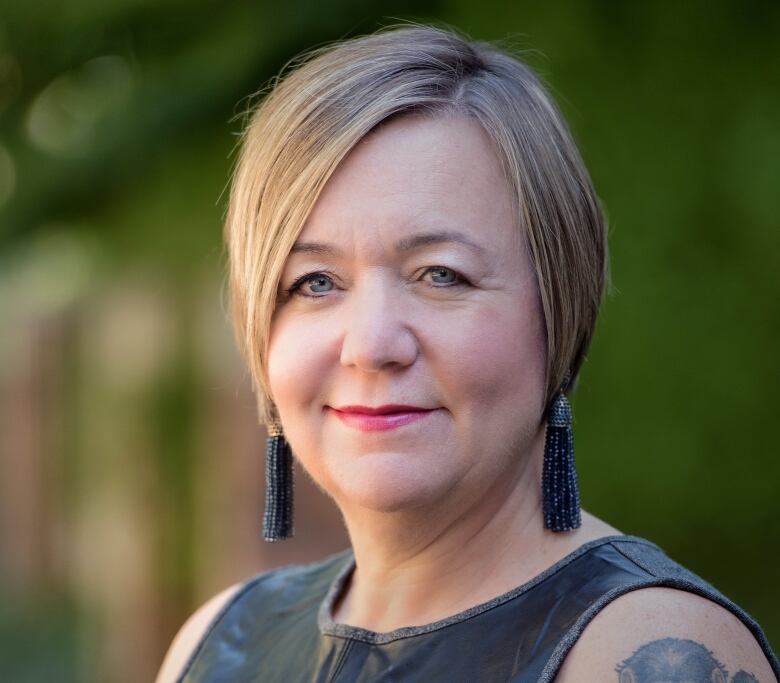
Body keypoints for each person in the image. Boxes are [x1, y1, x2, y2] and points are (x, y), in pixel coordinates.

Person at [155, 24, 779, 683]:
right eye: (315, 282)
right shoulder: (217, 642)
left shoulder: (648, 649)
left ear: (560, 309)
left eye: (440, 274)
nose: (371, 345)